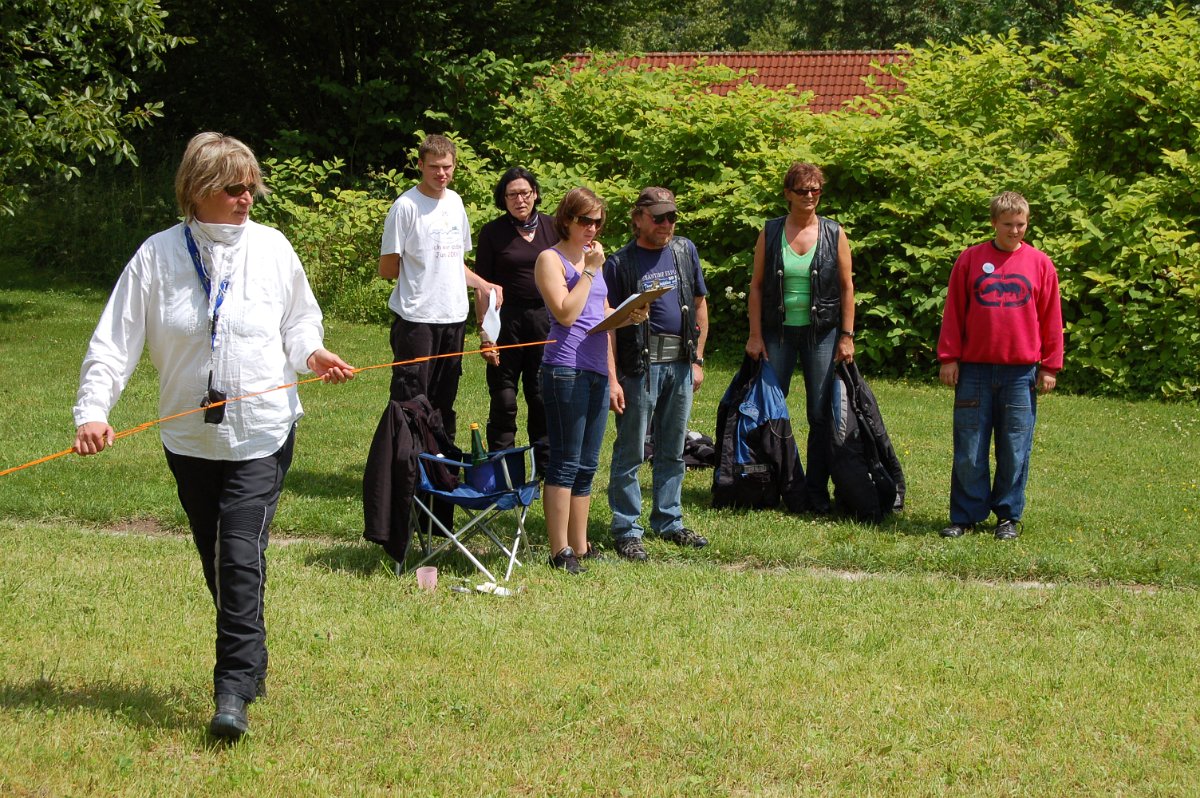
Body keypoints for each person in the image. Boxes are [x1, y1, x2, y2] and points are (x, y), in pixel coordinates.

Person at [72, 132, 355, 740]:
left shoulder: (274, 249)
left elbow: (298, 321)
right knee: (218, 559)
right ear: (197, 191)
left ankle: (231, 693)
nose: (246, 197)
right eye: (233, 188)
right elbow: (113, 343)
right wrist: (94, 410)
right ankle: (251, 662)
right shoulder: (156, 257)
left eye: (251, 186)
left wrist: (313, 353)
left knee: (238, 557)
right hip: (188, 440)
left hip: (263, 433)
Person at [936, 191, 1064, 541]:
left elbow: (1051, 318)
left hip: (1020, 372)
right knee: (969, 447)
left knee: (1015, 447)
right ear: (994, 223)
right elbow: (954, 312)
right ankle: (965, 515)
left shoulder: (1040, 264)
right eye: (1008, 225)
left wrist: (1050, 366)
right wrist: (949, 357)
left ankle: (1008, 516)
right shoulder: (970, 260)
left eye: (1021, 224)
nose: (1015, 231)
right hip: (974, 370)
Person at [534, 187, 648, 575]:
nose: (592, 228)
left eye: (598, 221)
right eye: (585, 220)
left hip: (597, 368)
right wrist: (588, 270)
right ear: (566, 219)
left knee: (587, 464)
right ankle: (558, 549)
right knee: (565, 462)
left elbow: (600, 316)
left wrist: (627, 313)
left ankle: (580, 546)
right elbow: (566, 313)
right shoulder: (551, 259)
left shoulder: (591, 263)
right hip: (565, 368)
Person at [604, 187, 710, 561]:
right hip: (640, 368)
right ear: (638, 218)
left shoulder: (684, 251)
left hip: (680, 364)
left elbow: (699, 305)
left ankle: (669, 521)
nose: (667, 224)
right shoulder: (618, 264)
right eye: (658, 217)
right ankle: (627, 529)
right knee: (631, 450)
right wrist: (613, 379)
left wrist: (697, 359)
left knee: (672, 449)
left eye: (672, 218)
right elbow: (610, 326)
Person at [745, 162, 856, 513]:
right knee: (769, 409)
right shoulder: (771, 231)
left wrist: (846, 336)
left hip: (822, 334)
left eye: (815, 190)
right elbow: (758, 286)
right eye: (802, 190)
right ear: (787, 194)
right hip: (777, 333)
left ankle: (815, 490)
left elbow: (846, 287)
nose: (809, 196)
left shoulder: (834, 233)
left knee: (820, 414)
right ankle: (770, 485)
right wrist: (755, 335)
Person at [378, 134, 502, 443]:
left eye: (447, 167)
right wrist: (419, 277)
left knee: (444, 399)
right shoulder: (405, 207)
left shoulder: (456, 202)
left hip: (453, 318)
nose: (441, 174)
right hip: (417, 319)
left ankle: (441, 469)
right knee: (411, 397)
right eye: (434, 167)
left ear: (454, 166)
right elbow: (387, 269)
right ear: (420, 165)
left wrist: (484, 285)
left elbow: (453, 263)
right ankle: (408, 468)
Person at [473, 167, 558, 472]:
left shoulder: (553, 228)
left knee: (541, 396)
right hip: (505, 320)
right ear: (503, 198)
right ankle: (504, 470)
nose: (519, 200)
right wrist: (485, 335)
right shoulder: (492, 233)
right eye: (512, 194)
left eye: (525, 193)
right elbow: (481, 287)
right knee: (504, 397)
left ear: (535, 193)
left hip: (544, 320)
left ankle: (545, 470)